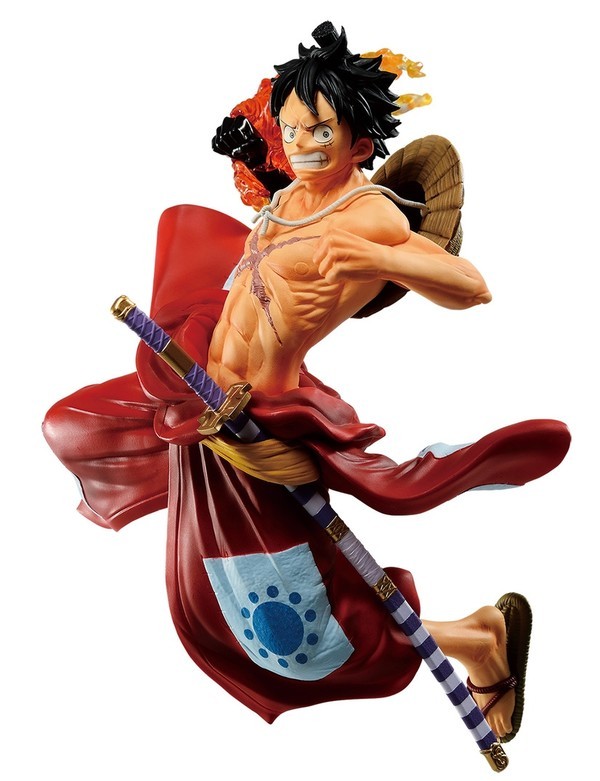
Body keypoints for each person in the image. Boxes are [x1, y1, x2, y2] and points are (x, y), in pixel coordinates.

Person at [43, 23, 569, 744]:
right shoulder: (289, 195)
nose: (299, 143)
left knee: (292, 635)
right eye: (291, 127)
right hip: (203, 412)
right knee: (85, 440)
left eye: (319, 131)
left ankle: (478, 638)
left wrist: (378, 258)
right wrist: (250, 142)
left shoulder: (367, 213)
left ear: (359, 142)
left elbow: (471, 285)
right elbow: (263, 146)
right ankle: (477, 636)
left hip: (261, 429)